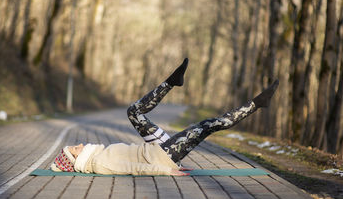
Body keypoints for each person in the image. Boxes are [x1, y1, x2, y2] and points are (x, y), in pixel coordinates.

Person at [51, 58, 279, 176]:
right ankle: (256, 104)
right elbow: (132, 168)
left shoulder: (96, 154)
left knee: (133, 112)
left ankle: (171, 82)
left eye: (75, 145)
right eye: (75, 149)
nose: (79, 144)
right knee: (206, 126)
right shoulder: (99, 163)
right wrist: (165, 170)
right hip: (162, 157)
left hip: (153, 148)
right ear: (76, 160)